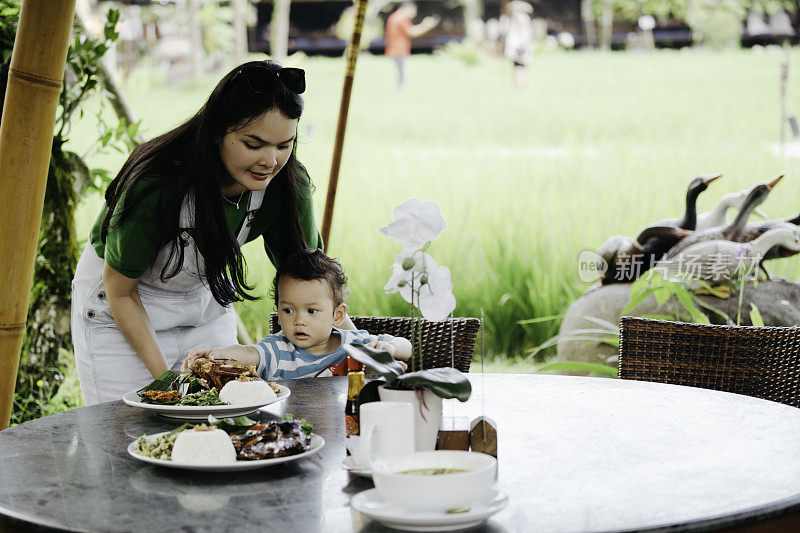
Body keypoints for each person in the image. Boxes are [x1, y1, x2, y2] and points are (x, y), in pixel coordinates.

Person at [71, 60, 322, 405]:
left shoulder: (288, 186)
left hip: (202, 307)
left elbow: (314, 285)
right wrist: (168, 385)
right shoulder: (157, 184)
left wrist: (356, 347)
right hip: (120, 311)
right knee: (128, 431)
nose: (270, 161)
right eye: (253, 144)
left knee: (224, 419)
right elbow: (120, 291)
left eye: (284, 145)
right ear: (218, 130)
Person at [181, 249, 412, 379]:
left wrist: (389, 349)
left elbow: (407, 348)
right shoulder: (278, 350)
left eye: (312, 311)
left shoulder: (354, 344)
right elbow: (247, 353)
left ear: (337, 315)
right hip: (290, 434)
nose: (299, 320)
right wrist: (215, 353)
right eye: (288, 310)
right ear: (278, 313)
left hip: (344, 429)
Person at [384, 2, 439, 88]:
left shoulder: (394, 17)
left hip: (395, 50)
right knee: (402, 75)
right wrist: (426, 26)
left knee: (400, 74)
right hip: (398, 50)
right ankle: (399, 92)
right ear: (407, 8)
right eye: (414, 10)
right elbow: (412, 32)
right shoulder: (401, 18)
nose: (415, 13)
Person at [503, 1, 533, 89]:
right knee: (521, 66)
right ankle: (522, 85)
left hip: (519, 45)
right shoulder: (523, 18)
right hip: (521, 44)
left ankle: (520, 85)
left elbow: (521, 33)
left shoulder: (520, 18)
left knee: (519, 67)